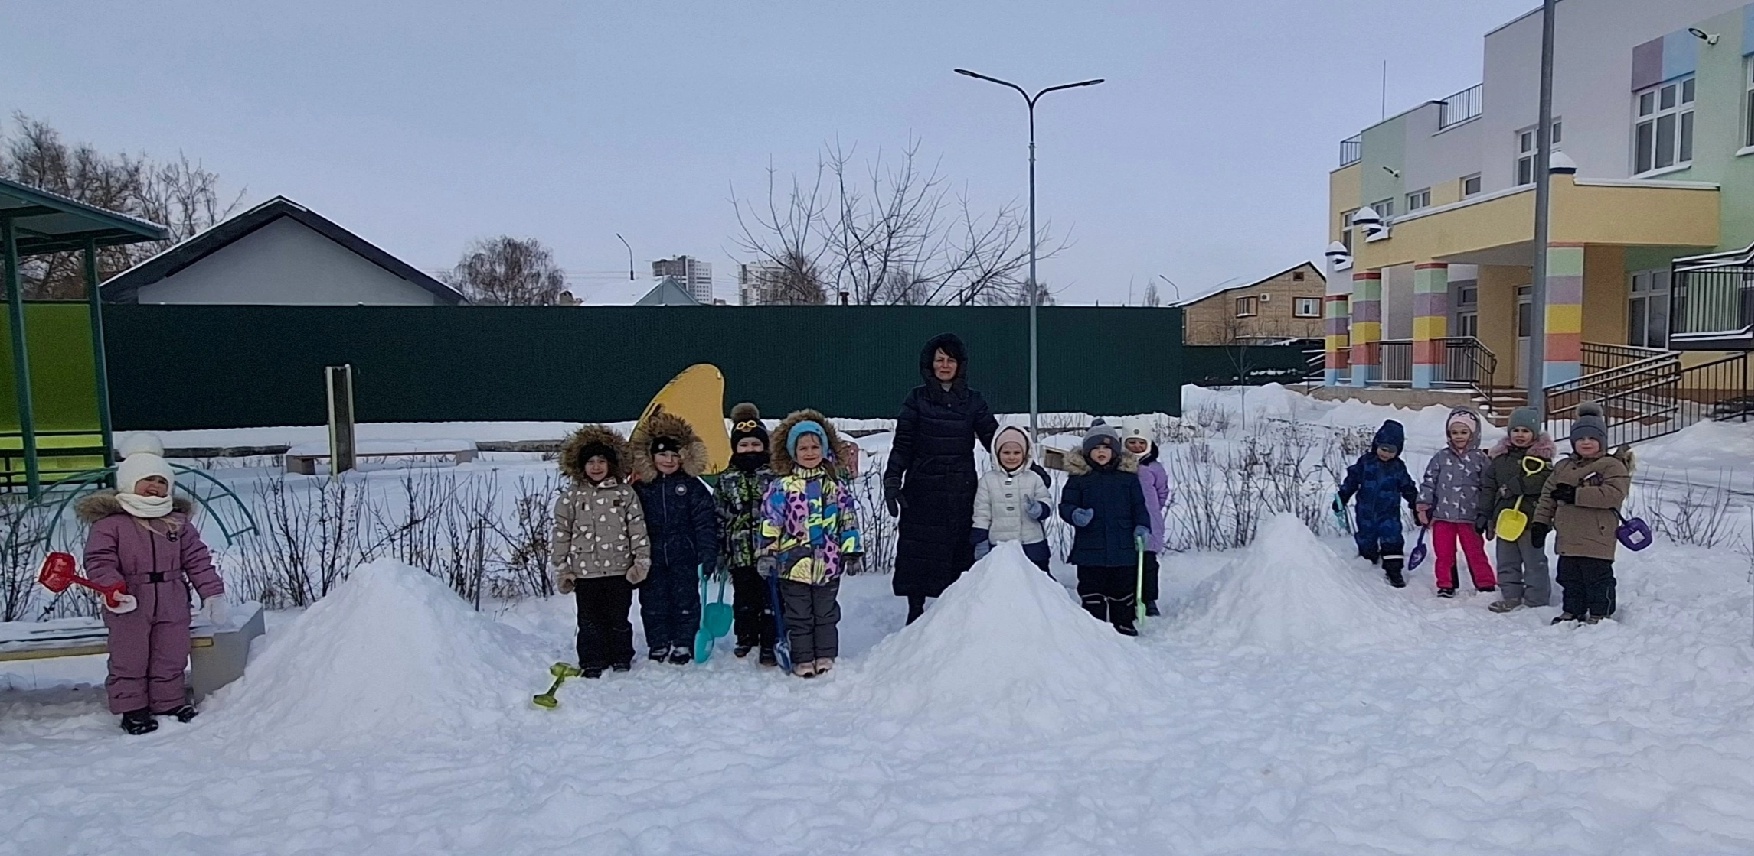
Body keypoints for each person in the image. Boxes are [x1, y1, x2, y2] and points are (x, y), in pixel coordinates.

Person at [77, 435, 225, 735]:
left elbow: (197, 559)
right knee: (130, 655)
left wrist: (211, 591)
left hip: (171, 595)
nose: (154, 487)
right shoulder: (111, 524)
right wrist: (112, 587)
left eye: (161, 481)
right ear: (130, 482)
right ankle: (132, 708)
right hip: (129, 598)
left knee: (170, 652)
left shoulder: (176, 522)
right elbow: (99, 560)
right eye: (147, 480)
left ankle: (168, 701)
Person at [883, 333, 998, 623]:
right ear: (929, 364)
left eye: (950, 360)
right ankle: (915, 611)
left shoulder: (973, 401)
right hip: (923, 487)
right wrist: (893, 478)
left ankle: (956, 614)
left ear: (960, 365)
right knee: (919, 549)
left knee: (960, 550)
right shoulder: (916, 399)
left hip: (961, 487)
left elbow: (995, 440)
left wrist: (1027, 464)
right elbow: (903, 443)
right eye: (939, 360)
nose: (944, 365)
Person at [760, 411, 863, 678]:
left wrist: (851, 551)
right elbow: (771, 521)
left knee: (826, 613)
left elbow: (847, 520)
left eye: (815, 447)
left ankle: (825, 655)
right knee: (799, 615)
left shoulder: (834, 487)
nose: (809, 452)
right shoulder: (782, 487)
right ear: (793, 452)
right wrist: (768, 552)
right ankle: (803, 659)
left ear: (824, 449)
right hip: (792, 565)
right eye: (803, 447)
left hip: (828, 563)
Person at [552, 424, 650, 678]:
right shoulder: (571, 497)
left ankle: (620, 656)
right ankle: (592, 659)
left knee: (619, 617)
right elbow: (561, 533)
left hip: (619, 569)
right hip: (586, 572)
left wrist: (640, 560)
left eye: (601, 461)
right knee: (589, 621)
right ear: (581, 466)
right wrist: (563, 568)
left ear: (611, 464)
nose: (596, 467)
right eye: (591, 462)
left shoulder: (625, 493)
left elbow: (637, 529)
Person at [628, 410, 719, 665]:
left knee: (685, 598)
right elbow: (630, 522)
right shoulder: (641, 488)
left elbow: (704, 522)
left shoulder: (692, 486)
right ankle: (658, 642)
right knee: (653, 600)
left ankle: (683, 641)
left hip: (684, 553)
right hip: (652, 552)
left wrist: (707, 553)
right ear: (651, 456)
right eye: (662, 454)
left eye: (674, 455)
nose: (668, 460)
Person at [1530, 403, 1632, 625]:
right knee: (1569, 577)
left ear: (1602, 441)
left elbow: (1613, 495)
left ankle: (1600, 612)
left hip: (1598, 536)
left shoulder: (1611, 466)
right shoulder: (1564, 467)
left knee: (1596, 577)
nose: (1586, 442)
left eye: (1592, 438)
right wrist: (1540, 523)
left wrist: (1576, 495)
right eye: (1581, 438)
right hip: (1569, 536)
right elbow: (1548, 495)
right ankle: (1572, 611)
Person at [1059, 421, 1151, 636]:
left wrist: (1142, 525)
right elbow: (1066, 505)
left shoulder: (1127, 479)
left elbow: (1139, 506)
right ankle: (1094, 625)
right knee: (1091, 588)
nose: (1101, 452)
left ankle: (1124, 622)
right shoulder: (1079, 479)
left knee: (1122, 588)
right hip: (1090, 546)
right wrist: (1074, 514)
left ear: (1115, 452)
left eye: (1106, 448)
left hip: (1123, 545)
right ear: (1087, 452)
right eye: (1096, 448)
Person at [715, 403, 777, 665]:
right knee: (744, 595)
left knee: (769, 596)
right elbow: (718, 514)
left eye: (755, 445)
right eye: (744, 445)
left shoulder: (775, 476)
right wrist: (719, 549)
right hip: (739, 551)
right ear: (735, 448)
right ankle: (745, 635)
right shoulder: (726, 478)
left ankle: (769, 638)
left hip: (769, 550)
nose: (750, 450)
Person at [1481, 406, 1555, 613]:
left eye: (1525, 431)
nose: (1520, 435)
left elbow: (1544, 483)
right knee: (1507, 559)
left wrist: (1515, 487)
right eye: (1516, 430)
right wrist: (1485, 514)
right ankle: (1511, 595)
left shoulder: (1543, 460)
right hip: (1505, 518)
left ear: (1534, 433)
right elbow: (1489, 487)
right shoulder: (1499, 460)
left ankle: (1537, 600)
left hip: (1531, 518)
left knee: (1534, 560)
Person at [1417, 408, 1497, 597]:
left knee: (1475, 551)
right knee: (1444, 553)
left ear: (1473, 433)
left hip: (1470, 516)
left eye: (1464, 432)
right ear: (1448, 434)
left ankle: (1485, 583)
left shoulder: (1480, 459)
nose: (1459, 437)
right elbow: (1429, 481)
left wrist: (1487, 513)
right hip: (1442, 515)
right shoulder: (1441, 458)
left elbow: (1488, 486)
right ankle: (1446, 584)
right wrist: (1423, 505)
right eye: (1454, 432)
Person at [1337, 419, 1420, 588]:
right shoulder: (1365, 463)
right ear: (1376, 444)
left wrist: (1416, 505)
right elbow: (1352, 480)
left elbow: (1408, 487)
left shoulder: (1398, 468)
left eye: (1391, 450)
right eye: (1383, 448)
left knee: (1392, 538)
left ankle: (1393, 569)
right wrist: (1343, 496)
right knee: (1366, 537)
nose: (1386, 453)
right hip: (1365, 511)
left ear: (1398, 451)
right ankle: (1368, 559)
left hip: (1388, 513)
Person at [970, 426, 1054, 574]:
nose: (1011, 457)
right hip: (999, 543)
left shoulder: (1033, 478)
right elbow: (982, 512)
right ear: (997, 454)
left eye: (1016, 452)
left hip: (1031, 542)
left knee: (1038, 582)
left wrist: (1039, 508)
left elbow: (1045, 500)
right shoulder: (988, 480)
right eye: (1006, 452)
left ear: (1025, 454)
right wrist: (980, 539)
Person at [1121, 417, 1173, 614]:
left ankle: (1149, 598)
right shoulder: (1120, 467)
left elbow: (1162, 492)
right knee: (1129, 562)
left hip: (1150, 522)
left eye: (1141, 443)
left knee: (1148, 562)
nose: (1136, 446)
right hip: (1125, 520)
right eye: (1131, 442)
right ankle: (1130, 596)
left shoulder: (1153, 468)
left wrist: (1152, 510)